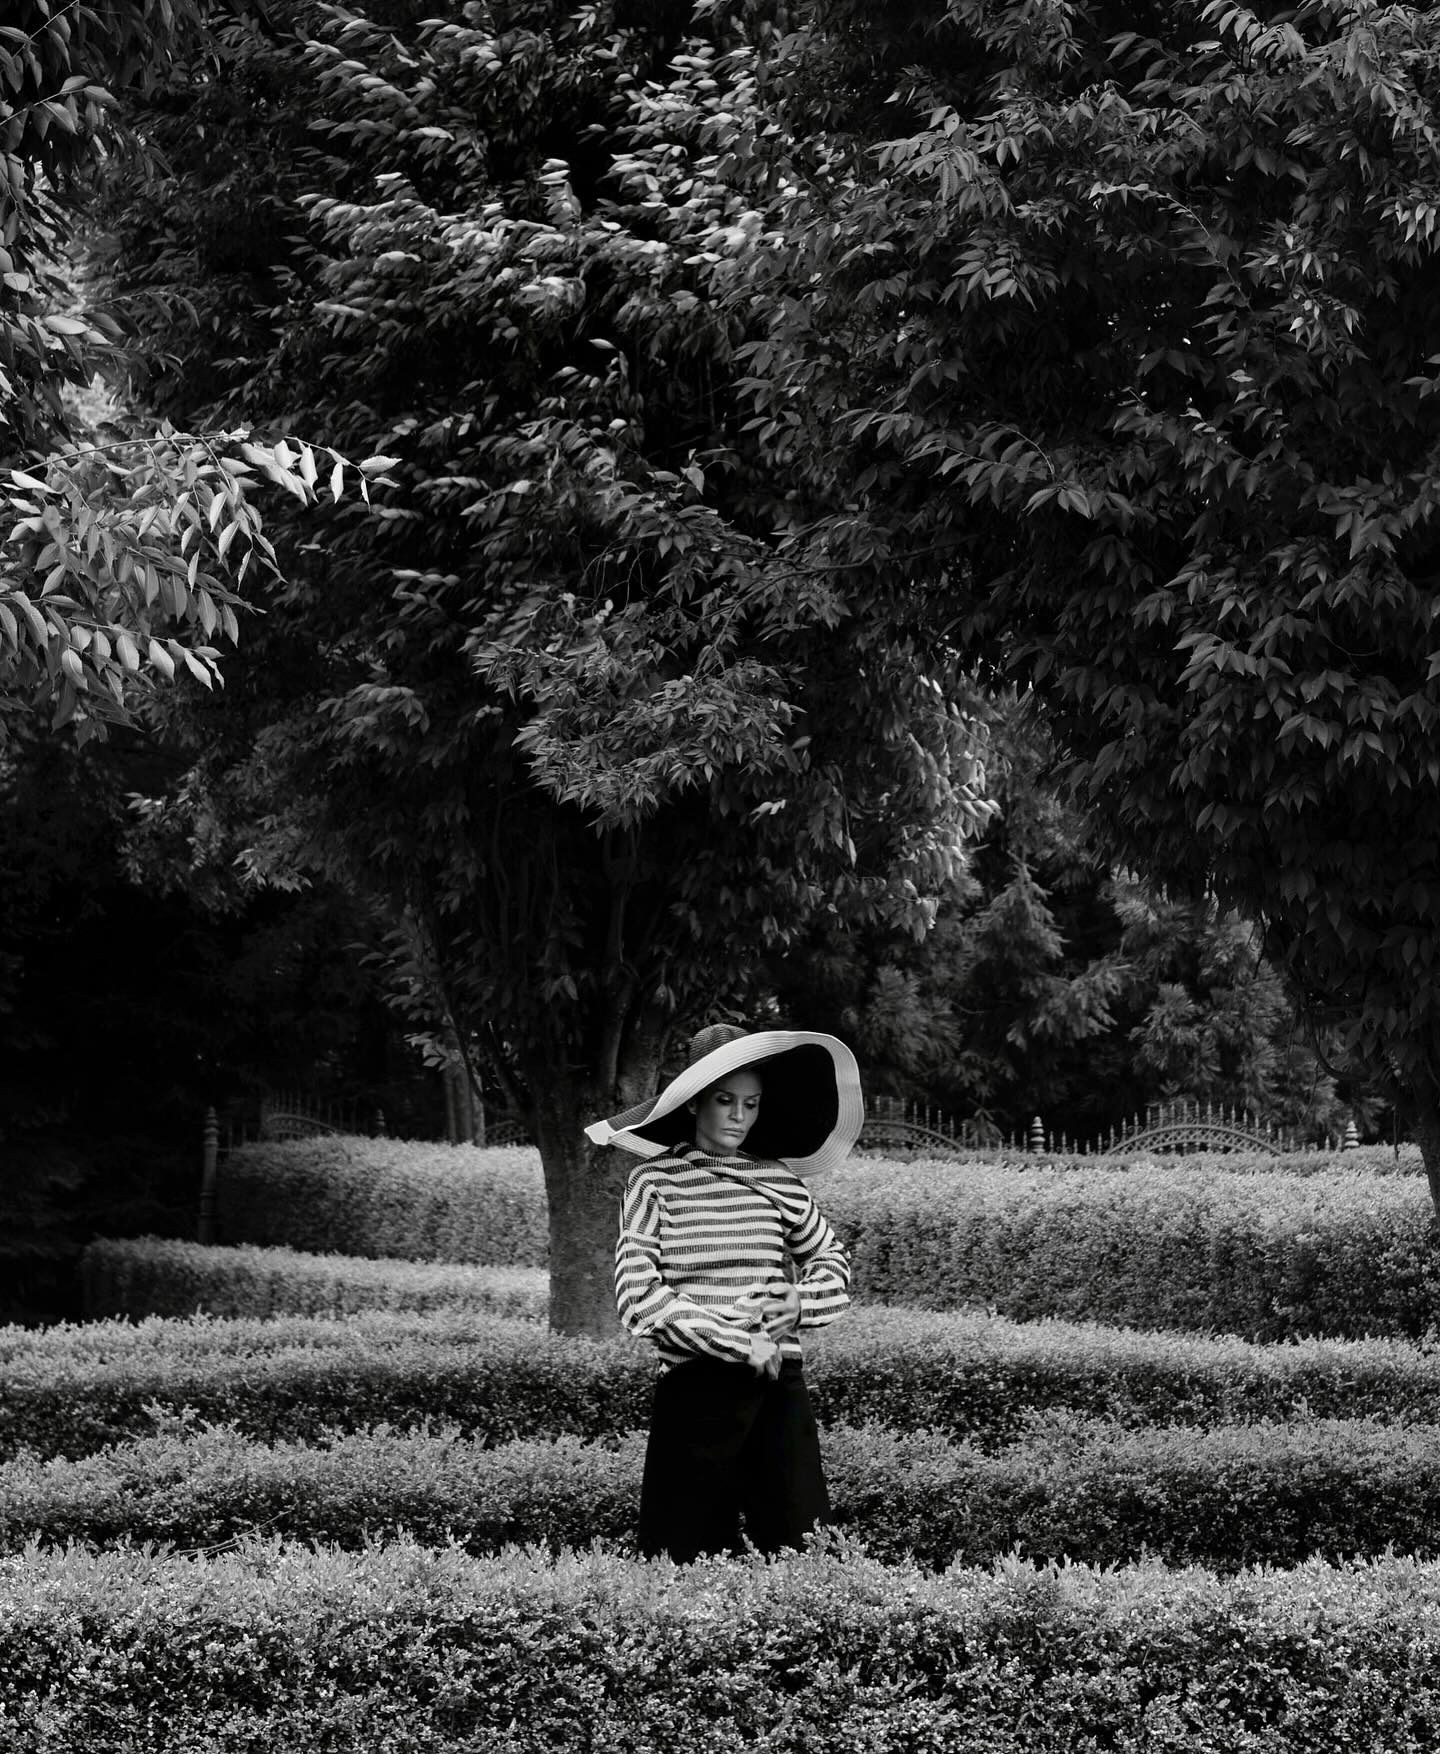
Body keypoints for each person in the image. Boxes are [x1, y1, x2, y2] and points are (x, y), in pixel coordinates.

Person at [585, 1023, 863, 1562]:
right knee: (681, 1557)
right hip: (695, 1386)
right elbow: (637, 1294)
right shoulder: (654, 1181)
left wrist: (801, 1302)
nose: (739, 1116)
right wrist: (738, 1343)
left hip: (777, 1382)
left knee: (802, 1549)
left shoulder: (779, 1180)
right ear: (693, 1102)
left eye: (751, 1104)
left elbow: (830, 1259)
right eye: (724, 1100)